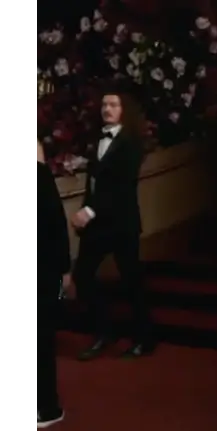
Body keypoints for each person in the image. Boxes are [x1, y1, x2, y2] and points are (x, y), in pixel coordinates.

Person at [71, 89, 154, 360]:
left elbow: (122, 187)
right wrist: (85, 210)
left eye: (113, 104)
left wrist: (90, 210)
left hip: (122, 223)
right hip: (97, 224)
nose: (107, 109)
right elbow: (93, 183)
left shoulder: (131, 144)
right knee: (82, 276)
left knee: (132, 281)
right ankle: (104, 332)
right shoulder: (98, 140)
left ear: (123, 110)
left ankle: (144, 338)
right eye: (104, 104)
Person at [32, 138, 72, 428]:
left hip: (42, 272)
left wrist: (64, 269)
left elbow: (56, 225)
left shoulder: (40, 177)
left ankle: (48, 407)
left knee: (42, 340)